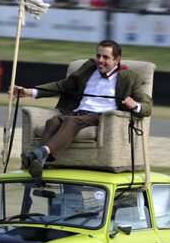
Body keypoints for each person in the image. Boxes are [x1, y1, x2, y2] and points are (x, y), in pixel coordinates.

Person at [12, 40, 152, 180]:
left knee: (71, 122)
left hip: (101, 117)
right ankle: (38, 163)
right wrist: (29, 92)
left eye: (106, 57)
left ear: (117, 60)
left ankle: (40, 152)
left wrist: (134, 105)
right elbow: (62, 86)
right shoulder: (88, 69)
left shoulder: (129, 78)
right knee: (54, 121)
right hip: (77, 111)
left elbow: (147, 106)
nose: (100, 60)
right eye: (98, 56)